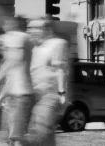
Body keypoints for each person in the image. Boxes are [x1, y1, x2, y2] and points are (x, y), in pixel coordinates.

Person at [0, 16, 34, 145]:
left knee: (16, 138)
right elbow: (10, 80)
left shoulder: (18, 38)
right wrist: (1, 100)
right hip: (14, 98)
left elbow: (14, 61)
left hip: (20, 96)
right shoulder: (8, 57)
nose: (0, 47)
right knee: (10, 138)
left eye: (1, 44)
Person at [23, 18, 68, 146]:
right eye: (29, 28)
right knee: (40, 132)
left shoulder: (58, 44)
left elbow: (61, 69)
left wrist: (62, 93)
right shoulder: (34, 48)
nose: (30, 31)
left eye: (35, 28)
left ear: (47, 29)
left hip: (49, 95)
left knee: (42, 130)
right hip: (33, 95)